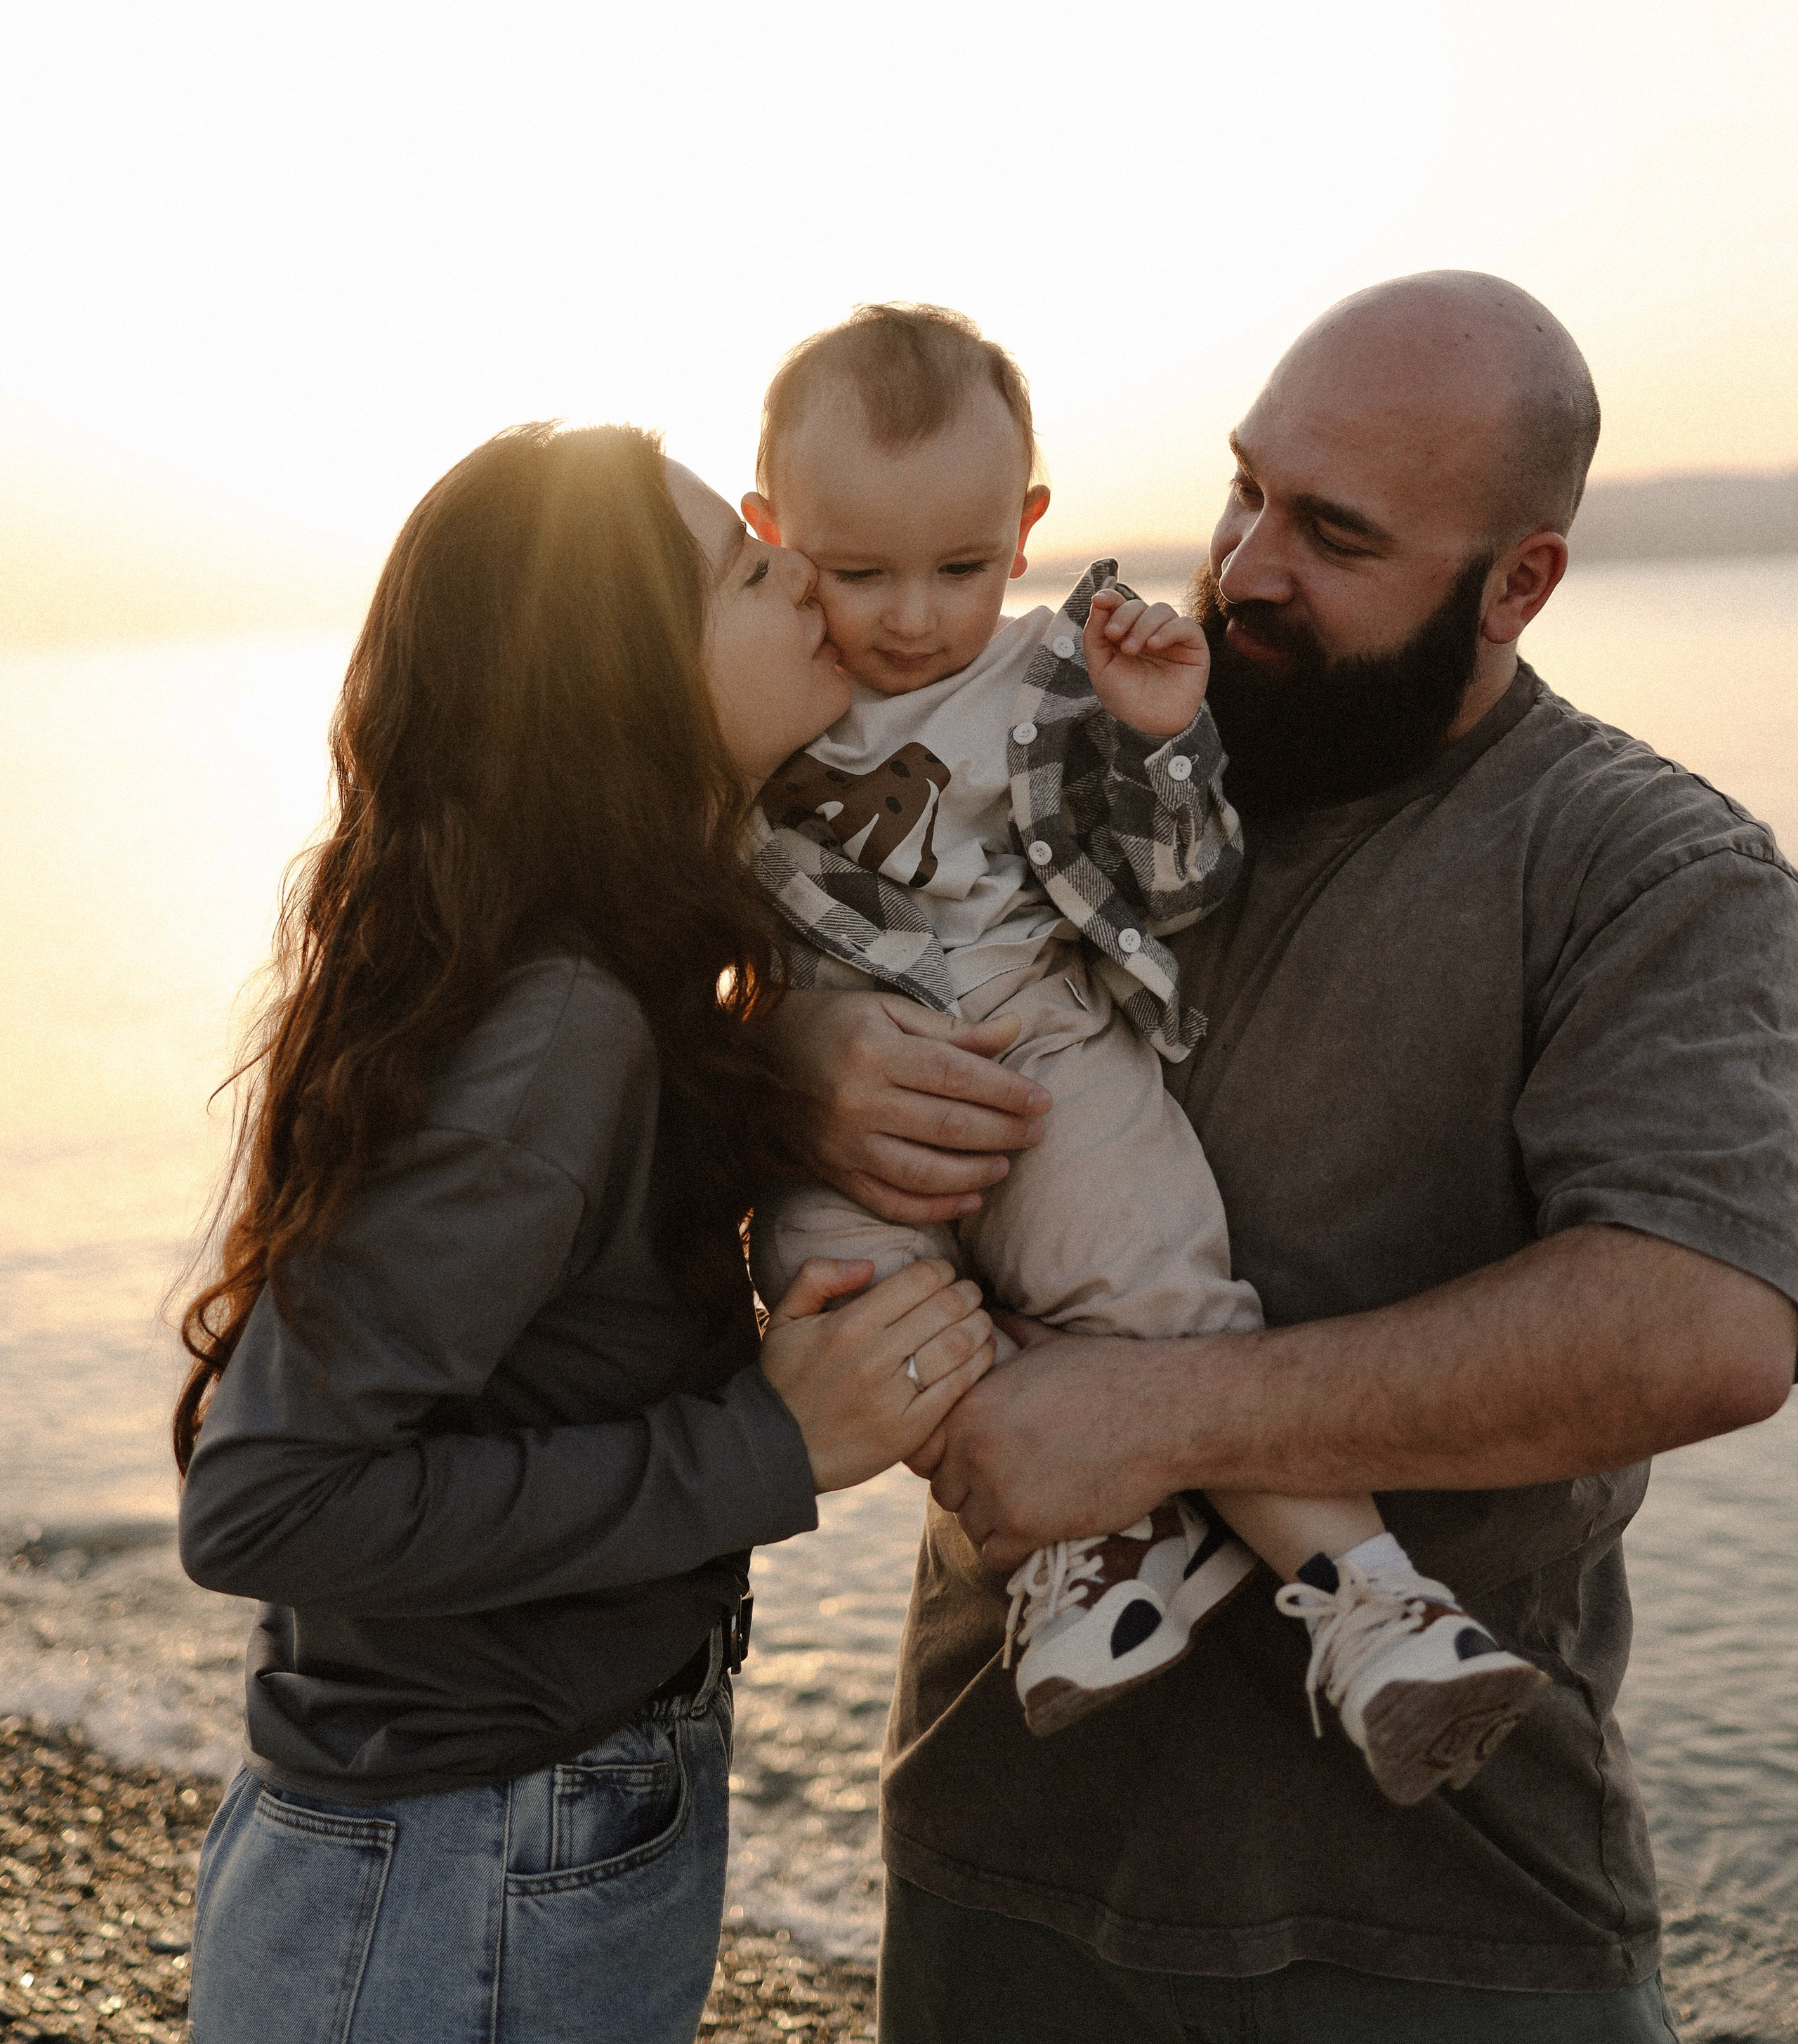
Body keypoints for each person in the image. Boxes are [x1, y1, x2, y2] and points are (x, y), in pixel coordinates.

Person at [770, 275, 1798, 2043]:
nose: (1242, 564)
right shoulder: (1086, 737)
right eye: (1243, 490)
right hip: (995, 1862)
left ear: (1518, 582)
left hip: (1443, 1922)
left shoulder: (1647, 870)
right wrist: (785, 1061)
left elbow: (1699, 1326)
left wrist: (1164, 1417)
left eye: (1330, 534)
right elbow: (757, 936)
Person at [173, 422, 995, 2044]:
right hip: (454, 1866)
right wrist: (764, 1441)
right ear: (620, 675)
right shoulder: (558, 1027)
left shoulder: (594, 983)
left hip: (497, 1828)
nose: (812, 592)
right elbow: (265, 1502)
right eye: (756, 575)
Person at [742, 303, 1547, 1795]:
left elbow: (1184, 889)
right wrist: (777, 1048)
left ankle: (1376, 1608)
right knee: (848, 1304)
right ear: (771, 530)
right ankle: (1084, 1555)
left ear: (1027, 528)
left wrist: (1162, 732)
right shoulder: (750, 687)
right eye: (856, 572)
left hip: (1046, 1056)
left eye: (962, 567)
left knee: (1158, 1299)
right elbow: (670, 926)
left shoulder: (1055, 674)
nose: (912, 615)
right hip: (843, 1123)